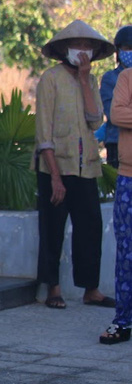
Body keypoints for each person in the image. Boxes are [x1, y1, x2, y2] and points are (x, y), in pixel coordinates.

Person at [34, 20, 115, 310]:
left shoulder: (90, 79)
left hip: (87, 166)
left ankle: (90, 289)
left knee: (91, 226)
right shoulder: (50, 78)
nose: (83, 51)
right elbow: (44, 132)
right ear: (64, 48)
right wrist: (55, 176)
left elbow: (96, 121)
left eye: (88, 46)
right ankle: (53, 287)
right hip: (56, 167)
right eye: (78, 45)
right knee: (53, 227)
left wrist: (83, 80)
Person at [100, 64, 132, 343]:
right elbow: (118, 113)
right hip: (129, 177)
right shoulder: (126, 77)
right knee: (127, 253)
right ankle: (123, 321)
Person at [99, 26, 132, 167]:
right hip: (117, 145)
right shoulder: (110, 78)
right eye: (128, 48)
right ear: (118, 51)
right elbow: (114, 114)